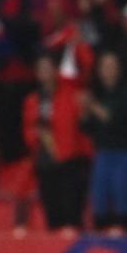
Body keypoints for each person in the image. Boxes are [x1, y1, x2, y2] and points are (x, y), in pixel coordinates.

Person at [23, 54, 93, 230]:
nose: (45, 73)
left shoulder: (71, 94)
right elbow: (28, 130)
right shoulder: (32, 100)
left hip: (70, 161)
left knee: (72, 214)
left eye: (48, 68)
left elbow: (84, 125)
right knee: (52, 214)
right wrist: (37, 135)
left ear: (56, 71)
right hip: (45, 162)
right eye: (41, 69)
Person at [82, 51, 127, 231]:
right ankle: (101, 244)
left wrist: (91, 105)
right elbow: (86, 127)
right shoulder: (98, 94)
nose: (108, 70)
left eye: (112, 66)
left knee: (123, 199)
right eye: (104, 66)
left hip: (124, 153)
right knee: (99, 200)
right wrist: (85, 111)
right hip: (102, 153)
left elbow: (112, 119)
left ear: (119, 69)